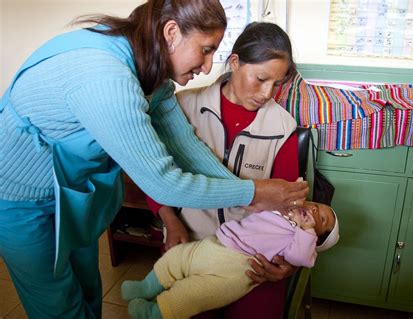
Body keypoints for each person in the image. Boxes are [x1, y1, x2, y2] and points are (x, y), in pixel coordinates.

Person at [0, 2, 308, 318]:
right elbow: (164, 182)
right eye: (204, 50)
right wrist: (253, 193)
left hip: (71, 190)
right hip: (20, 197)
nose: (206, 67)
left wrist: (246, 193)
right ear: (171, 32)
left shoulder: (153, 77)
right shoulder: (105, 76)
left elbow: (187, 146)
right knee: (57, 304)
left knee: (87, 286)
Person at [145, 21, 305, 318]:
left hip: (252, 255)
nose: (267, 93)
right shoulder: (182, 108)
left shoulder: (282, 127)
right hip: (192, 241)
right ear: (234, 63)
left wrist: (289, 259)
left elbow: (290, 205)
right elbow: (156, 174)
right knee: (179, 306)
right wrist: (170, 219)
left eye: (277, 83)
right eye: (260, 79)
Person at [121, 201, 340, 319]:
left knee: (192, 295)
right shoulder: (287, 207)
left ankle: (154, 313)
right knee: (177, 258)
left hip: (237, 269)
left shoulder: (300, 240)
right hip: (217, 244)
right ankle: (145, 287)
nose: (313, 210)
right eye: (317, 206)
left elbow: (301, 257)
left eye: (320, 219)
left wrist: (308, 232)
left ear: (315, 239)